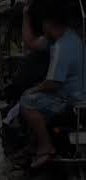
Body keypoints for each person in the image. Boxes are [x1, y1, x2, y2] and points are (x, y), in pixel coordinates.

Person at [20, 0, 86, 168]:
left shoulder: (61, 47)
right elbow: (32, 43)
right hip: (73, 94)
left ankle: (45, 147)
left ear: (47, 23)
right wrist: (26, 14)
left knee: (27, 100)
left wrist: (33, 89)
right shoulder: (68, 37)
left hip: (70, 100)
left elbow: (52, 84)